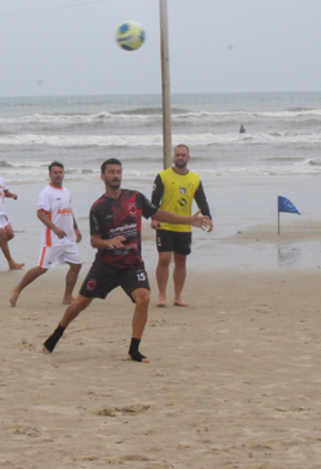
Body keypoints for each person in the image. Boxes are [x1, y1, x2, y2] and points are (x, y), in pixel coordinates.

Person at [41, 158, 206, 363]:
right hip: (106, 265)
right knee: (80, 303)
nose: (115, 175)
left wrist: (189, 220)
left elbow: (158, 213)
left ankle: (134, 350)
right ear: (103, 177)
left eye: (118, 172)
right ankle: (55, 335)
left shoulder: (135, 198)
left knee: (144, 298)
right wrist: (108, 242)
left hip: (132, 264)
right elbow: (94, 241)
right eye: (111, 172)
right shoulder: (98, 207)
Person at [9, 162, 83, 307]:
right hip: (53, 239)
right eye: (55, 172)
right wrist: (55, 229)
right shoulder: (46, 192)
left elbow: (69, 212)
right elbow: (40, 214)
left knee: (76, 265)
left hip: (68, 239)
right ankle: (17, 289)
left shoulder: (66, 191)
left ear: (63, 174)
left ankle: (67, 297)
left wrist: (76, 229)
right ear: (50, 175)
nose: (58, 175)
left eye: (60, 172)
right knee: (42, 268)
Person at [150, 144, 213, 307]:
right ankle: (162, 295)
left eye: (183, 155)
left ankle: (178, 296)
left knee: (181, 260)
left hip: (185, 226)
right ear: (173, 157)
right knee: (164, 258)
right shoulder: (162, 176)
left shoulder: (195, 178)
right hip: (165, 225)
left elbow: (201, 200)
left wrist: (209, 218)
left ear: (188, 158)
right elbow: (154, 200)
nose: (180, 158)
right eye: (177, 155)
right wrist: (154, 218)